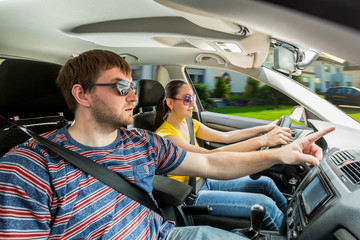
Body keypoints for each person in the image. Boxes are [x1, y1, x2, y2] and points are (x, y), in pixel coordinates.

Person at [0, 49, 335, 240]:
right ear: (81, 94)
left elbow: (210, 164)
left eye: (132, 86)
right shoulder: (26, 167)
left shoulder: (140, 141)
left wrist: (281, 153)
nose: (134, 97)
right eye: (120, 88)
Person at [154, 80, 290, 230]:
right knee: (265, 205)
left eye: (193, 98)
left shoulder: (190, 123)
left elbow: (227, 137)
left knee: (266, 183)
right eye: (187, 99)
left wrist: (265, 128)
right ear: (170, 103)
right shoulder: (166, 137)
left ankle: (292, 222)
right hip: (192, 195)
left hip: (205, 181)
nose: (192, 104)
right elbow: (212, 155)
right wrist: (263, 140)